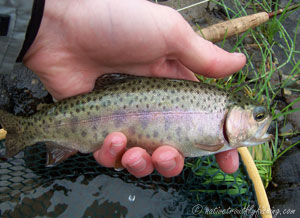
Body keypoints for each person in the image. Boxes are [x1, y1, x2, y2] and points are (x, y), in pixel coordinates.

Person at [1, 0, 246, 178]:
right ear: (235, 112)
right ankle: (26, 130)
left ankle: (27, 129)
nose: (261, 122)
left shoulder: (217, 115)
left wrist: (43, 23)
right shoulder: (217, 113)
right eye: (257, 117)